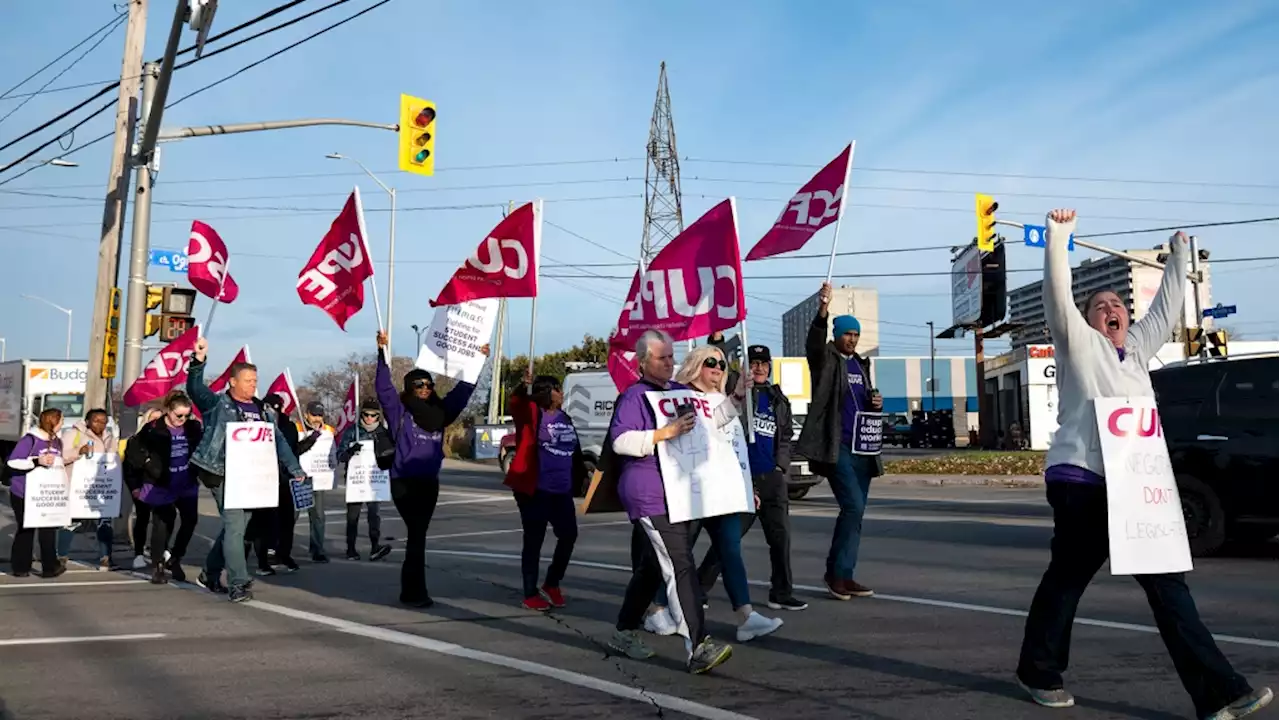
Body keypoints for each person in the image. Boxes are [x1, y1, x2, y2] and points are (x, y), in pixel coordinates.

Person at [1015, 210, 1273, 719]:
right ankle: (1038, 671)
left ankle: (1219, 694)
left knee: (1167, 585)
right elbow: (1057, 296)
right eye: (1099, 305)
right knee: (1068, 580)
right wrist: (1058, 238)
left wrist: (1178, 258)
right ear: (1086, 319)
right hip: (1081, 479)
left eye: (1117, 304)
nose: (1110, 308)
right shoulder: (1077, 347)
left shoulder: (1135, 351)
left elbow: (1167, 309)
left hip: (1132, 484)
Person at [607, 329, 743, 675]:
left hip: (679, 491)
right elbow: (621, 441)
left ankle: (623, 631)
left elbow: (713, 421)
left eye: (671, 357)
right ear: (642, 362)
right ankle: (698, 644)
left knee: (653, 567)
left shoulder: (680, 392)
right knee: (680, 562)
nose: (670, 363)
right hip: (650, 491)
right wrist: (665, 433)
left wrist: (737, 398)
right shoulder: (634, 397)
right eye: (661, 358)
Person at [674, 344, 783, 642]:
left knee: (731, 550)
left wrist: (747, 487)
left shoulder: (721, 400)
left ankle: (746, 616)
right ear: (697, 363)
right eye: (711, 361)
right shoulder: (680, 397)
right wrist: (734, 399)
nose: (718, 367)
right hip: (692, 492)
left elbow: (735, 447)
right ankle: (658, 606)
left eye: (722, 363)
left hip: (722, 492)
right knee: (679, 556)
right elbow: (707, 423)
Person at [187, 337, 307, 603]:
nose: (254, 385)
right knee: (234, 526)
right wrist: (198, 362)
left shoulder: (264, 410)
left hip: (251, 477)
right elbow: (195, 389)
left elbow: (278, 440)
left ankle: (209, 572)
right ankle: (238, 583)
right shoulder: (217, 404)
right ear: (233, 381)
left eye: (255, 380)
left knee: (238, 527)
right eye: (248, 380)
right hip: (221, 472)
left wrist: (294, 468)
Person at [374, 330, 485, 608]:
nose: (424, 388)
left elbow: (463, 391)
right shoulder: (401, 411)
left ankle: (411, 591)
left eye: (428, 384)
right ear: (410, 387)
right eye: (418, 384)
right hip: (404, 481)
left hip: (428, 483)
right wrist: (382, 354)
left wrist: (479, 361)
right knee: (417, 534)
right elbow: (384, 389)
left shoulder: (442, 413)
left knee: (417, 536)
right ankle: (414, 592)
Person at [698, 343, 806, 611]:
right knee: (729, 541)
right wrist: (718, 339)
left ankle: (781, 593)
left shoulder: (778, 398)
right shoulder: (737, 392)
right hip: (742, 479)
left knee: (780, 539)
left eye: (763, 363)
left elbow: (785, 437)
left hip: (772, 478)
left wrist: (781, 468)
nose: (759, 367)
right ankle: (699, 590)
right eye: (754, 362)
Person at [796, 281, 883, 600]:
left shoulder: (861, 363)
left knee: (857, 513)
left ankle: (844, 575)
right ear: (837, 334)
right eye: (848, 334)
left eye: (856, 335)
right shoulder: (826, 359)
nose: (852, 339)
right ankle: (835, 574)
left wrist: (877, 402)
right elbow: (814, 343)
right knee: (853, 506)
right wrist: (822, 310)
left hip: (864, 449)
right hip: (838, 447)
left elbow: (864, 398)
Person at [503, 370, 586, 611]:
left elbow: (575, 450)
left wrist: (581, 478)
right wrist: (522, 386)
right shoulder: (532, 414)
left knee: (568, 535)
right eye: (557, 388)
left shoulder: (565, 418)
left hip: (561, 490)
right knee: (534, 540)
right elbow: (516, 403)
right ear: (546, 392)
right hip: (535, 489)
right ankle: (529, 593)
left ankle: (552, 583)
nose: (561, 393)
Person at [123, 391, 203, 584]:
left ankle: (175, 557)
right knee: (163, 523)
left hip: (186, 482)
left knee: (190, 520)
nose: (182, 420)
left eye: (186, 415)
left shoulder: (193, 428)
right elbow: (132, 456)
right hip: (161, 484)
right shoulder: (152, 430)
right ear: (168, 411)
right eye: (178, 416)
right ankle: (157, 565)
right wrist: (136, 484)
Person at [5, 408, 67, 578]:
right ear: (52, 421)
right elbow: (13, 462)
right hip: (24, 492)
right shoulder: (30, 439)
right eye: (61, 420)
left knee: (48, 530)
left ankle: (50, 567)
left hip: (47, 493)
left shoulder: (57, 442)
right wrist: (36, 461)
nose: (63, 424)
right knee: (26, 530)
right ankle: (20, 567)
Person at [57, 408, 118, 571]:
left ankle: (106, 558)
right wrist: (79, 451)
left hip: (101, 489)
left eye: (104, 421)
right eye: (96, 421)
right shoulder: (73, 435)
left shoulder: (110, 438)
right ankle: (61, 556)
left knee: (104, 522)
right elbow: (60, 457)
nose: (100, 424)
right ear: (88, 421)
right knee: (71, 523)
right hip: (77, 488)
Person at [336, 399, 393, 562]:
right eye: (366, 414)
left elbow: (390, 453)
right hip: (357, 479)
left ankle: (375, 547)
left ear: (378, 416)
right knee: (353, 515)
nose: (369, 418)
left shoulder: (383, 432)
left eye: (373, 415)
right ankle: (351, 548)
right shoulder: (352, 431)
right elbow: (340, 455)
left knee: (374, 515)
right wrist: (350, 451)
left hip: (375, 480)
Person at [255, 393, 304, 576]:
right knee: (265, 521)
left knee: (287, 520)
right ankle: (263, 559)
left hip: (285, 479)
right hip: (264, 478)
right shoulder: (257, 426)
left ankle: (284, 554)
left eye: (276, 408)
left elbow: (292, 449)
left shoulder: (288, 426)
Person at [122, 408, 163, 570]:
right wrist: (134, 487)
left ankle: (161, 551)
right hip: (142, 485)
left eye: (160, 419)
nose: (156, 422)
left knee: (163, 520)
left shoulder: (169, 439)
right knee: (142, 519)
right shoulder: (136, 441)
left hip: (162, 486)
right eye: (153, 418)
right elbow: (129, 468)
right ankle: (138, 553)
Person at [296, 402, 335, 563]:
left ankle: (317, 549)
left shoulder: (328, 431)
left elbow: (333, 450)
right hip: (300, 479)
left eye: (320, 415)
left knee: (318, 515)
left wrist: (333, 461)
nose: (317, 418)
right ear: (306, 414)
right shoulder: (297, 428)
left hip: (319, 478)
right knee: (292, 515)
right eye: (314, 415)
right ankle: (281, 548)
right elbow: (293, 449)